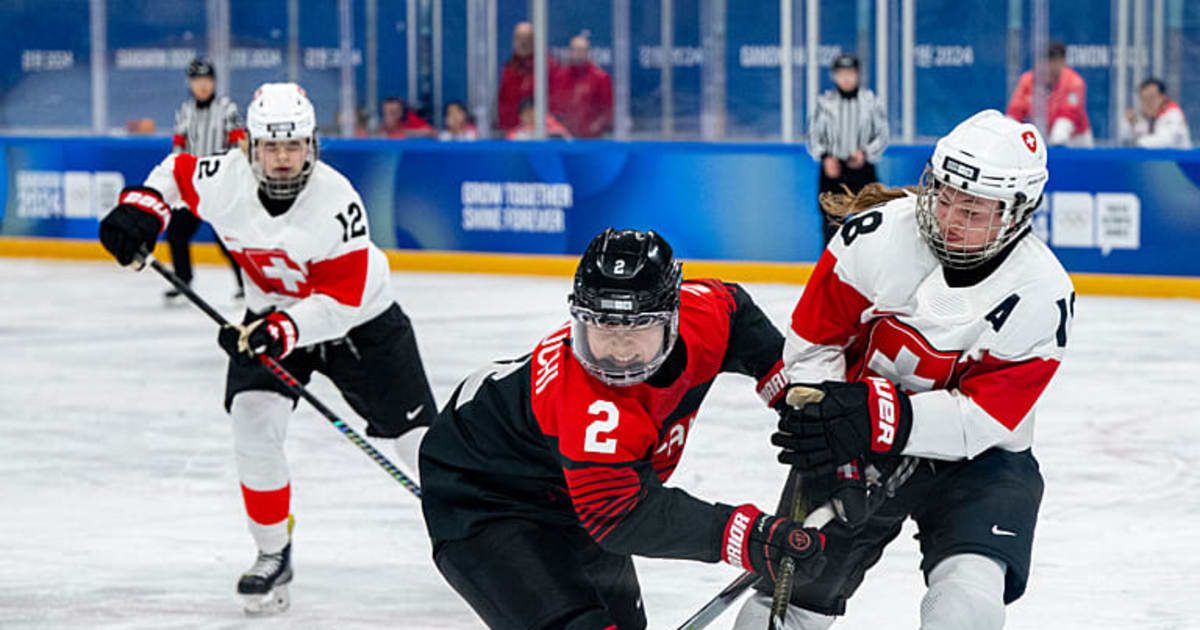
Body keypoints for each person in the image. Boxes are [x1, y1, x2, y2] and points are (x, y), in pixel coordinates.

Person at [97, 82, 438, 615]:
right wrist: (142, 210)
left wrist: (279, 330)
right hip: (272, 317)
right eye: (271, 147)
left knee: (419, 445)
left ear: (312, 145)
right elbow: (173, 174)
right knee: (253, 418)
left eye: (294, 146)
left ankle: (494, 533)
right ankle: (272, 551)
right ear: (249, 147)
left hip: (361, 324)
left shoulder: (337, 202)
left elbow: (341, 302)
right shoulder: (225, 178)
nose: (282, 159)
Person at [733, 110, 1074, 630]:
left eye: (976, 207)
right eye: (946, 194)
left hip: (978, 463)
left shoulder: (1041, 295)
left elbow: (982, 418)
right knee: (781, 611)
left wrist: (875, 416)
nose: (952, 217)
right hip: (853, 442)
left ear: (1017, 212)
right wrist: (836, 439)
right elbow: (811, 346)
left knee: (966, 606)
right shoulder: (872, 237)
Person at [420, 228, 826, 630]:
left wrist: (794, 400)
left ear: (672, 318)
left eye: (636, 329)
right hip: (486, 500)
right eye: (603, 329)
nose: (619, 350)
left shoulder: (705, 314)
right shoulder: (588, 405)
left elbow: (739, 317)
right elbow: (620, 515)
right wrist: (748, 535)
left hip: (567, 488)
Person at [165, 58, 245, 303]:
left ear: (214, 82)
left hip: (220, 184)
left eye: (207, 80)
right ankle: (183, 280)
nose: (203, 85)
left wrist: (233, 177)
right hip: (192, 185)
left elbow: (239, 145)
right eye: (198, 80)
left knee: (227, 240)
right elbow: (178, 148)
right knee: (176, 233)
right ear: (190, 83)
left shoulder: (227, 108)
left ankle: (247, 284)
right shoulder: (185, 110)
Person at [808, 53, 889, 244]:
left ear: (857, 74)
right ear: (834, 76)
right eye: (841, 73)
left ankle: (867, 270)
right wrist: (825, 157)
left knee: (871, 223)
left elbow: (882, 134)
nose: (846, 78)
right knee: (831, 225)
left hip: (862, 171)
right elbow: (813, 134)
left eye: (850, 73)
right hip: (832, 173)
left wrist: (865, 153)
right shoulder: (824, 103)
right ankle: (833, 272)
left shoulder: (870, 102)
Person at [1006, 41, 1093, 147]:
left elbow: (1067, 116)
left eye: (1056, 61)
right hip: (1045, 136)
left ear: (1063, 62)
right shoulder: (1028, 80)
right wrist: (1007, 136)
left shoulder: (1074, 82)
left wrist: (1056, 144)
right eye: (1048, 60)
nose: (1051, 65)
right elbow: (1015, 112)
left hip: (1076, 140)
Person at [498, 21, 560, 131]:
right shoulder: (508, 68)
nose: (523, 42)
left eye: (527, 38)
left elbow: (555, 102)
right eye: (519, 38)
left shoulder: (547, 67)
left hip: (540, 130)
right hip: (511, 132)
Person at [549, 33, 613, 138]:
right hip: (564, 139)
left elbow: (607, 111)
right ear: (569, 51)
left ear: (588, 52)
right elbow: (553, 107)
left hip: (590, 140)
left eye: (582, 50)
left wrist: (593, 128)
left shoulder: (600, 78)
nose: (578, 53)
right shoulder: (559, 76)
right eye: (575, 50)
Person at [1119, 78, 1192, 149]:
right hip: (1152, 160)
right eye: (1143, 98)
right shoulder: (1140, 116)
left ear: (1162, 98)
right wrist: (1129, 125)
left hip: (1177, 160)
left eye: (1151, 97)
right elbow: (1125, 142)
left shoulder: (1173, 114)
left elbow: (1164, 142)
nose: (1147, 102)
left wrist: (1137, 142)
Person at [506, 96, 570, 140]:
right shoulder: (515, 134)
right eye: (526, 113)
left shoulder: (556, 130)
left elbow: (569, 148)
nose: (529, 116)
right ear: (520, 116)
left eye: (532, 112)